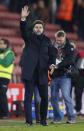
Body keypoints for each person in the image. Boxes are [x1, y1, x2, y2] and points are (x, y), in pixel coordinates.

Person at [20, 5, 55, 126]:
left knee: (45, 98)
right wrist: (23, 19)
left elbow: (52, 55)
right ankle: (29, 121)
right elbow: (23, 31)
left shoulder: (47, 40)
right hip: (30, 73)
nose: (38, 28)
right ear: (34, 28)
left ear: (43, 29)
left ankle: (43, 121)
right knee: (28, 98)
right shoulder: (29, 38)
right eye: (36, 27)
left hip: (42, 73)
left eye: (40, 27)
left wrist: (52, 64)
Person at [50, 30, 76, 124]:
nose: (58, 42)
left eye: (60, 40)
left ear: (64, 38)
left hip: (65, 76)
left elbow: (70, 60)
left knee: (66, 96)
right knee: (53, 97)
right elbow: (49, 58)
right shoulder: (52, 47)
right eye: (57, 40)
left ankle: (71, 117)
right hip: (54, 76)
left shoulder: (70, 47)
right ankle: (57, 117)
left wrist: (58, 65)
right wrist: (50, 65)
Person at [0, 38, 15, 119]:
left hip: (4, 77)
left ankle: (5, 113)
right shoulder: (1, 54)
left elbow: (5, 63)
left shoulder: (10, 53)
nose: (0, 45)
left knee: (2, 94)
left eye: (2, 43)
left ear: (6, 45)